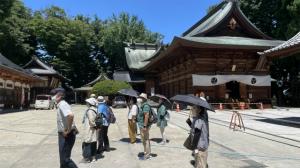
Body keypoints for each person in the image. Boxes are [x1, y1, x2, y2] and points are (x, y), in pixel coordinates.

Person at [52, 88, 78, 168]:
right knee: (63, 159)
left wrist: (69, 129)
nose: (52, 96)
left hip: (66, 134)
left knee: (65, 159)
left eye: (53, 95)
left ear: (59, 96)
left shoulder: (62, 104)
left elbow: (70, 115)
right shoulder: (61, 105)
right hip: (65, 133)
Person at [82, 98, 98, 162]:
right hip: (94, 129)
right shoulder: (95, 109)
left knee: (88, 142)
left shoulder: (90, 110)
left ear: (90, 103)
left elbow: (91, 120)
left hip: (90, 129)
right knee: (94, 142)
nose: (86, 104)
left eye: (87, 103)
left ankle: (88, 158)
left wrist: (93, 126)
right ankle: (93, 157)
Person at [137, 93, 152, 160]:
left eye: (141, 97)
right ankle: (146, 152)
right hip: (142, 125)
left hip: (144, 126)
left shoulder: (145, 105)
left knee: (145, 140)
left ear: (143, 98)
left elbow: (146, 115)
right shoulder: (143, 105)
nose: (139, 98)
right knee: (144, 140)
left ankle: (147, 155)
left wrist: (145, 126)